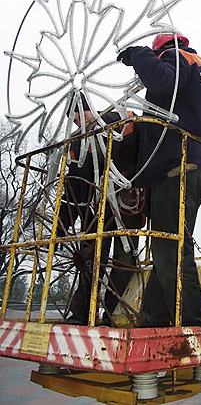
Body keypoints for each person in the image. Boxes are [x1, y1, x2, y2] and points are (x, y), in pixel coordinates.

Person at [117, 32, 201, 327]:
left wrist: (138, 55)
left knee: (171, 246)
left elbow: (162, 81)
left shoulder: (176, 58)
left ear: (161, 49)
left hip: (178, 165)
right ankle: (154, 320)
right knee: (169, 244)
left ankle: (194, 325)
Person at [58, 93, 144, 326]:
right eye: (74, 120)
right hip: (94, 209)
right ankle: (81, 315)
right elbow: (73, 186)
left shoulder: (124, 120)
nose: (79, 122)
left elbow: (147, 149)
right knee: (89, 259)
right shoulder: (77, 142)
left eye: (81, 115)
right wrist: (61, 227)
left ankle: (113, 316)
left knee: (125, 261)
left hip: (128, 202)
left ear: (92, 109)